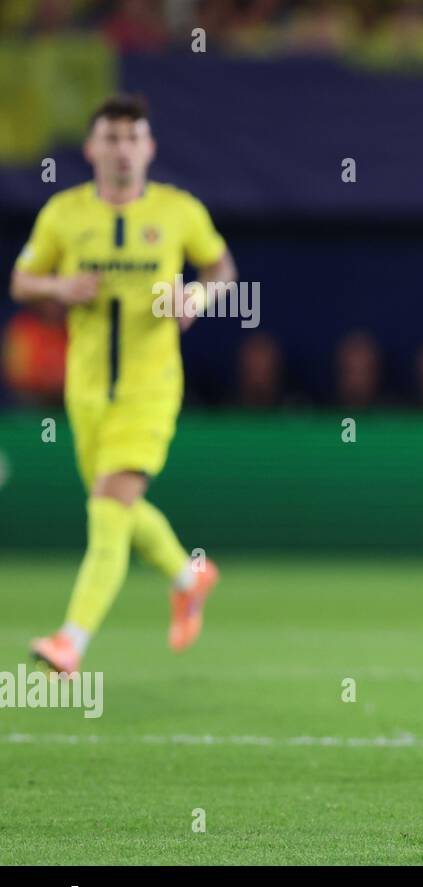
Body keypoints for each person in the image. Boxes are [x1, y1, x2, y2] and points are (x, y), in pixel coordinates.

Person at [12, 94, 237, 673]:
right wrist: (61, 290)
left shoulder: (178, 209)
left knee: (108, 512)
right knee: (114, 505)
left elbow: (220, 268)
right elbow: (22, 280)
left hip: (150, 387)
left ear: (149, 148)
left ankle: (72, 639)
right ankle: (190, 576)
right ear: (92, 149)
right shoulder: (64, 213)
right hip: (86, 390)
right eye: (110, 138)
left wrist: (200, 296)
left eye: (132, 138)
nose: (122, 150)